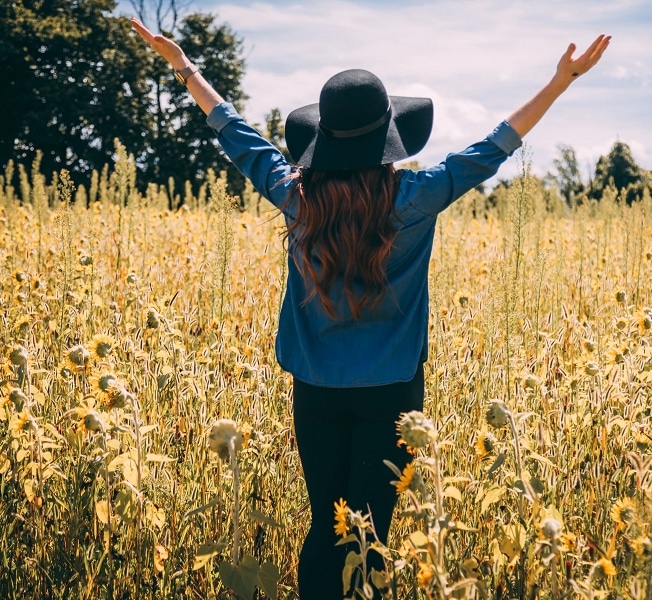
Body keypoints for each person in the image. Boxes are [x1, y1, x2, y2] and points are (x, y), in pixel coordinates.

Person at [132, 17, 609, 599]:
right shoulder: (416, 196)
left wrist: (185, 66)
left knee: (324, 528)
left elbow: (236, 133)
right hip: (394, 397)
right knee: (369, 533)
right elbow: (497, 144)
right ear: (389, 139)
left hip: (316, 392)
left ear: (322, 138)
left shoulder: (295, 196)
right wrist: (562, 80)